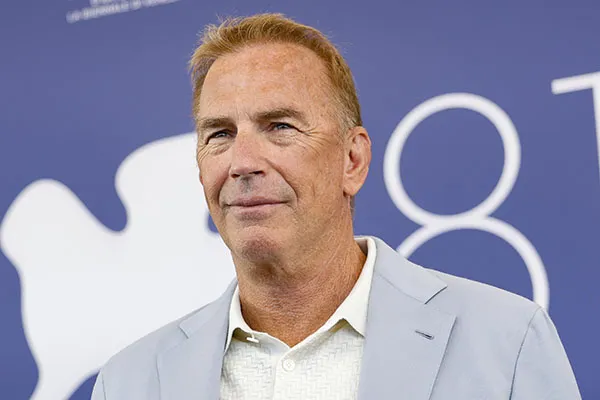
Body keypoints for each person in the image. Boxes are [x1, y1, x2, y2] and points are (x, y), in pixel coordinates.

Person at [91, 13, 581, 399]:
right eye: (219, 134)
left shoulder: (506, 341)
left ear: (353, 160)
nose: (242, 162)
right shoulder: (129, 383)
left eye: (280, 126)